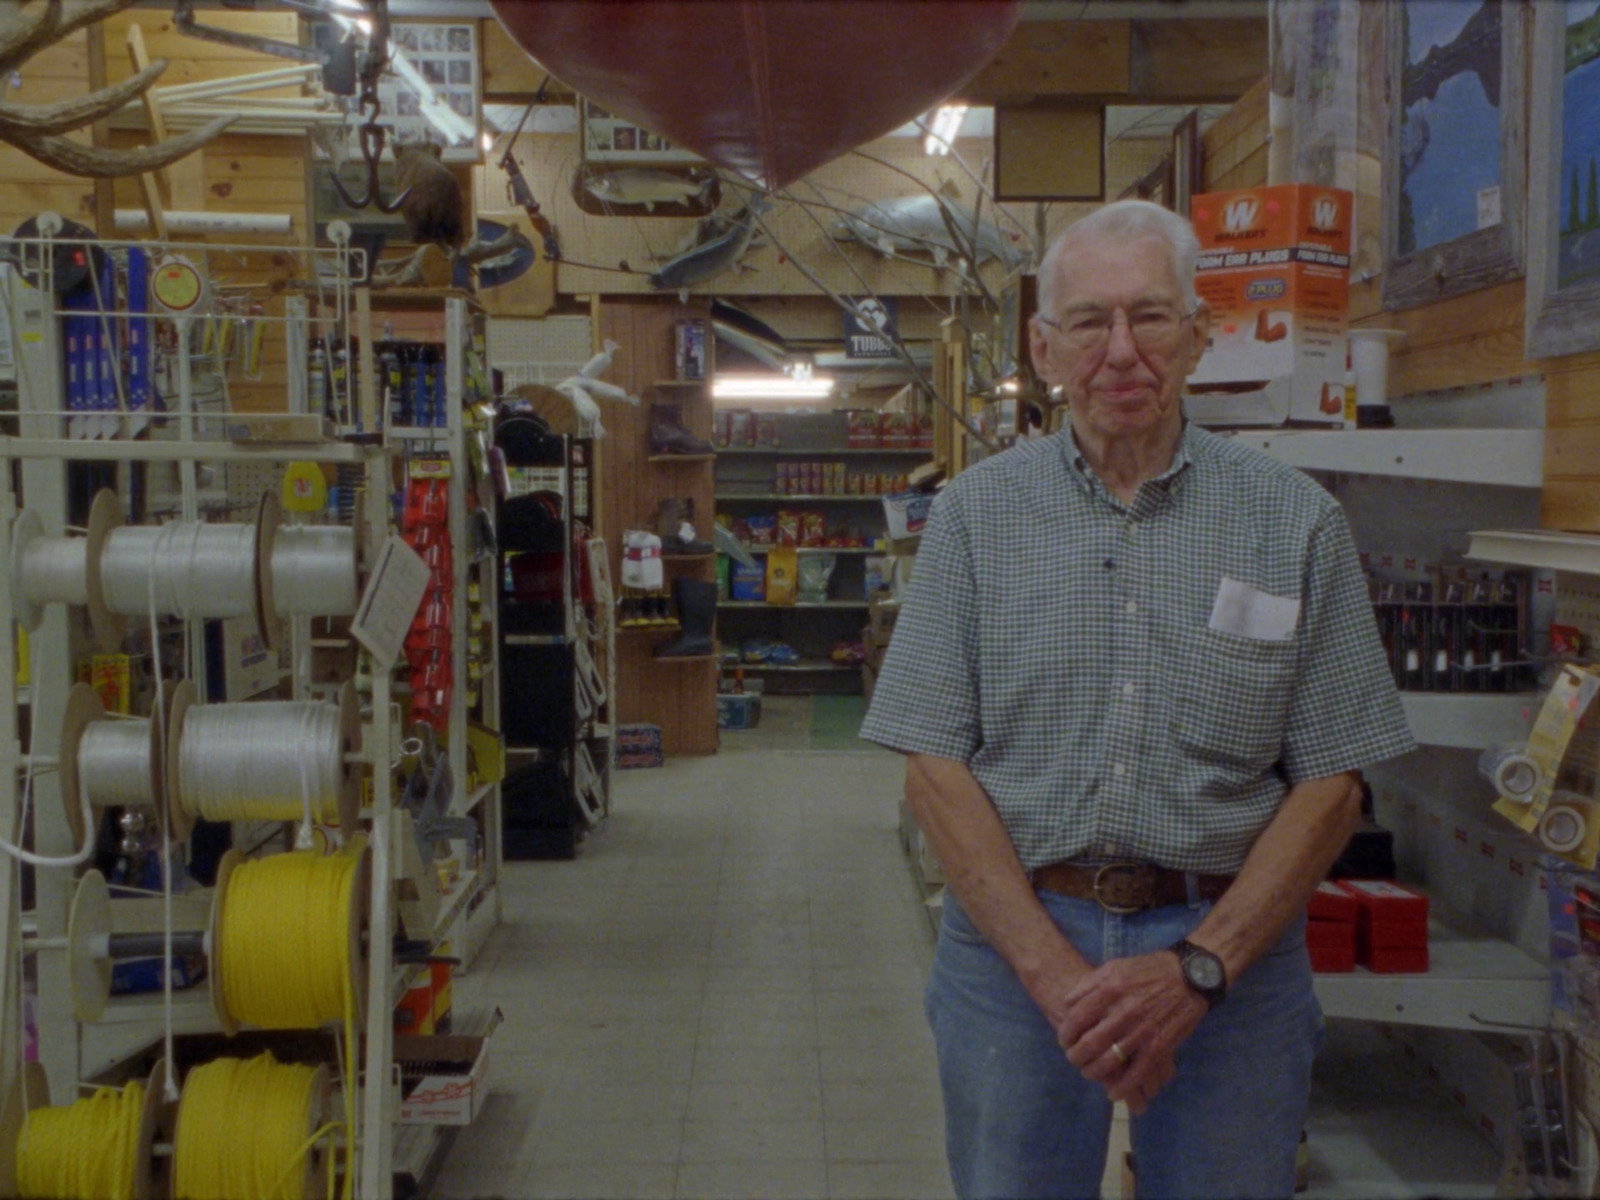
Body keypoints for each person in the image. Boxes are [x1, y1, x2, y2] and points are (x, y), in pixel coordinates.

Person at [860, 199, 1415, 1200]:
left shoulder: (1295, 523)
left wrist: (1201, 967)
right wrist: (1055, 979)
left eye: (1151, 317)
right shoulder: (975, 519)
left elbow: (1332, 782)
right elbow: (934, 772)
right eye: (1088, 322)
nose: (1121, 351)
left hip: (1230, 959)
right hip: (1016, 955)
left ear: (1199, 335)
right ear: (1043, 347)